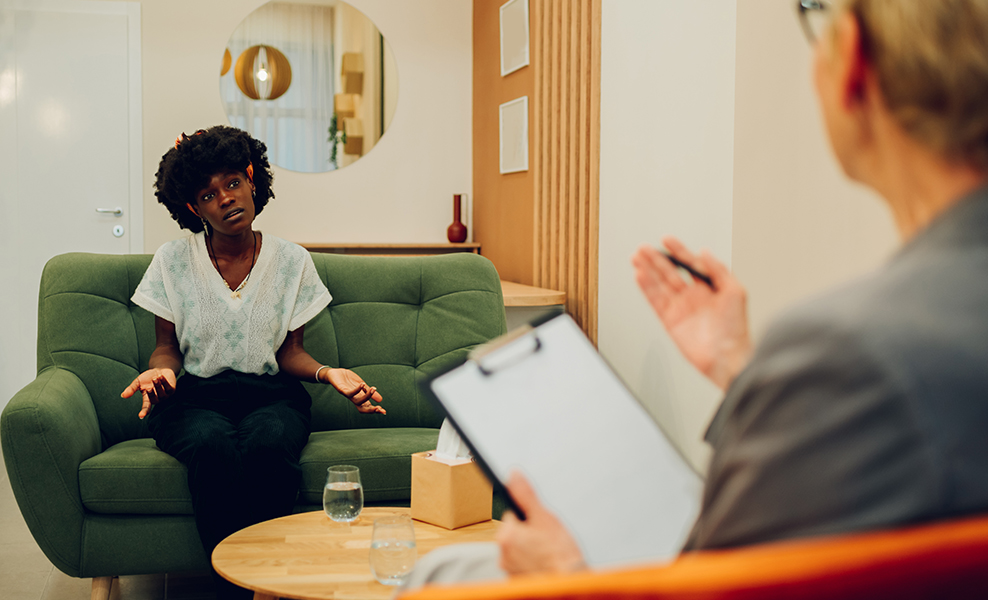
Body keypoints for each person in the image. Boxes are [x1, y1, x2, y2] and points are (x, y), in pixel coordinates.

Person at [403, 0, 988, 586]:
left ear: (854, 60)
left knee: (439, 575)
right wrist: (742, 368)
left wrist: (568, 573)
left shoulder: (849, 351)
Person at [122, 125, 385, 599]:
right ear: (193, 208)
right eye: (208, 194)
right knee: (211, 443)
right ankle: (233, 589)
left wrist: (329, 374)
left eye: (232, 183)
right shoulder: (172, 261)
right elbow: (167, 347)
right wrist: (161, 370)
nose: (225, 198)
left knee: (267, 442)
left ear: (251, 179)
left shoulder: (292, 261)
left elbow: (290, 353)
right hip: (194, 399)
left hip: (269, 396)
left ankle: (271, 582)